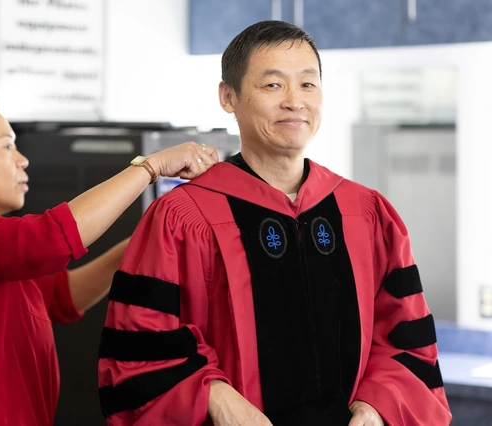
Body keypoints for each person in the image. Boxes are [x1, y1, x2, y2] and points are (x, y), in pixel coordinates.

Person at [97, 20, 452, 426]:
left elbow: (407, 339)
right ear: (228, 96)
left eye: (308, 84)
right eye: (272, 85)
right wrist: (212, 393)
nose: (294, 102)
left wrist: (377, 406)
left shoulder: (367, 212)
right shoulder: (183, 217)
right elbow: (142, 346)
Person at [0, 87, 219, 426]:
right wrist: (150, 168)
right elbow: (49, 240)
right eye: (7, 146)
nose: (23, 159)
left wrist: (140, 244)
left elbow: (60, 297)